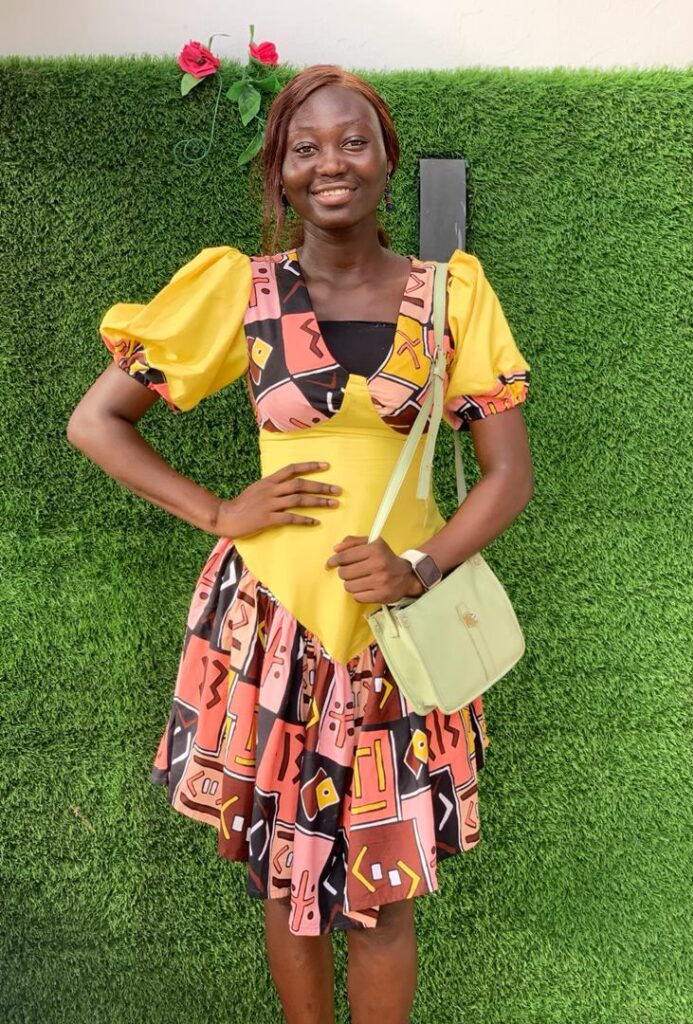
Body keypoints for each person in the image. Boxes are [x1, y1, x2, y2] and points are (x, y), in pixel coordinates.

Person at [67, 63, 534, 1024]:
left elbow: (507, 476)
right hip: (271, 624)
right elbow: (97, 422)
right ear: (279, 170)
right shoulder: (238, 289)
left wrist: (419, 568)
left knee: (384, 895)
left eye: (353, 142)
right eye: (305, 147)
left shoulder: (451, 296)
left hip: (398, 640)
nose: (331, 164)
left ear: (386, 159)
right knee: (288, 879)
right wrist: (218, 512)